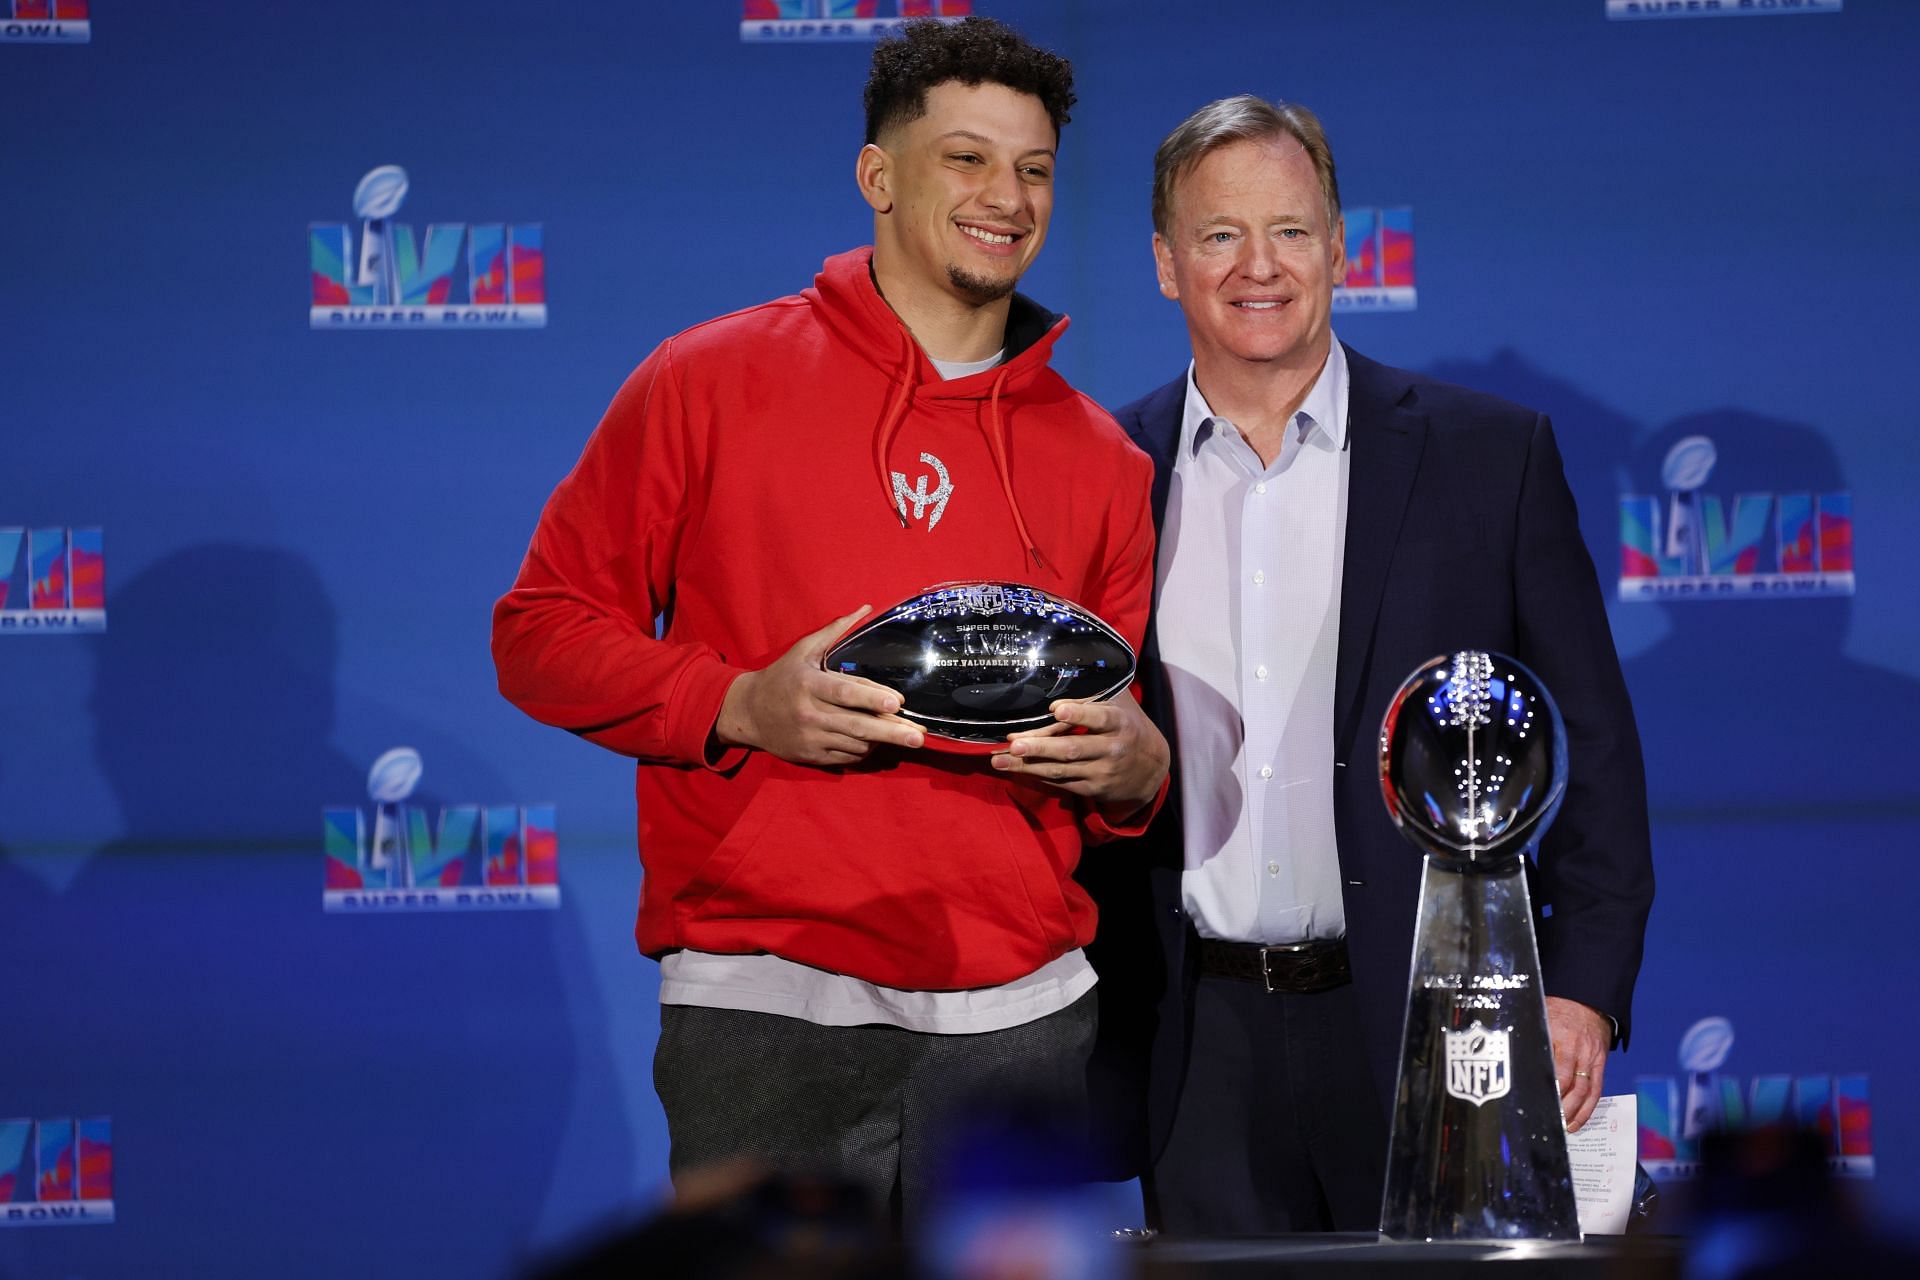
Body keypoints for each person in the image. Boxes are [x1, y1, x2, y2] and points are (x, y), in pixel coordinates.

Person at [491, 17, 1167, 1223]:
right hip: (766, 1007)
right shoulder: (705, 381)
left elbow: (1116, 774)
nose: (1004, 197)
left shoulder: (1102, 459)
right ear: (878, 175)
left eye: (1033, 168)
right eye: (965, 158)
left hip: (1022, 1016)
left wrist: (1136, 768)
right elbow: (539, 630)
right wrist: (740, 700)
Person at [1087, 95, 1654, 1234]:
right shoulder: (1100, 469)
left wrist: (1583, 984)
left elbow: (1587, 743)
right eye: (1219, 234)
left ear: (1341, 245)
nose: (1261, 266)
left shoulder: (1490, 456)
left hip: (1442, 1022)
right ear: (1164, 262)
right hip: (1196, 1039)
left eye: (1291, 230)